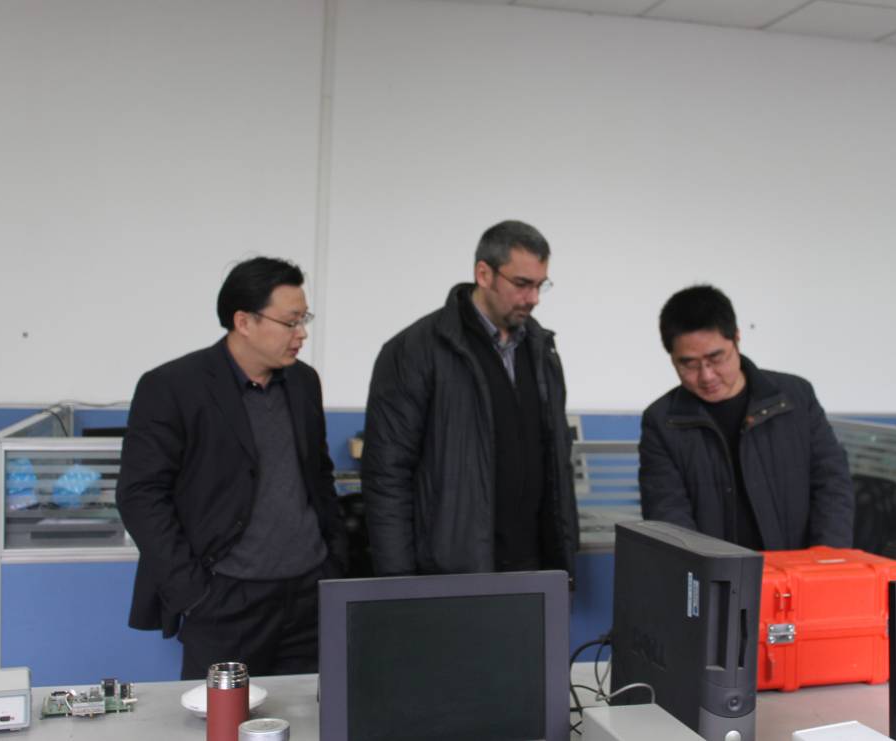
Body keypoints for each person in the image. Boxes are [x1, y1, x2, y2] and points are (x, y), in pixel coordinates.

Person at [116, 257, 347, 680]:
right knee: (223, 714)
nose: (301, 333)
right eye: (290, 321)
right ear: (244, 321)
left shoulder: (303, 382)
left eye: (304, 319)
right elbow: (140, 496)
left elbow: (319, 476)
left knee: (312, 712)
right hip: (225, 600)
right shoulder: (173, 387)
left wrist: (333, 561)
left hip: (309, 595)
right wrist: (193, 593)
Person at [362, 220, 579, 577]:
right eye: (521, 284)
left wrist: (563, 561)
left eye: (540, 285)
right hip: (453, 573)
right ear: (484, 274)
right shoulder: (414, 350)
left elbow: (557, 465)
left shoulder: (543, 352)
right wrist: (397, 585)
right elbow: (387, 476)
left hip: (534, 568)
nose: (533, 299)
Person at [638, 284, 853, 550]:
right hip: (714, 571)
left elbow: (832, 484)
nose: (706, 376)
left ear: (737, 338)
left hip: (798, 567)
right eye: (689, 364)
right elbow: (667, 513)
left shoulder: (795, 398)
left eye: (716, 358)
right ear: (672, 358)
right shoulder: (662, 421)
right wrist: (701, 570)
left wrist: (825, 560)